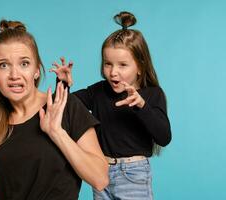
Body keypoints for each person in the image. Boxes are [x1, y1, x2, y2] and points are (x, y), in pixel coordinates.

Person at [0, 20, 109, 200]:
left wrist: (57, 132)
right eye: (3, 65)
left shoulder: (64, 105)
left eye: (24, 64)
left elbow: (100, 179)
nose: (14, 75)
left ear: (36, 71)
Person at [51, 11, 172, 200]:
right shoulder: (98, 91)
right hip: (102, 172)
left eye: (123, 65)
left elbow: (164, 137)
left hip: (134, 174)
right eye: (108, 64)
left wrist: (141, 105)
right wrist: (63, 84)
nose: (113, 72)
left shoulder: (152, 94)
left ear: (140, 66)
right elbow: (63, 106)